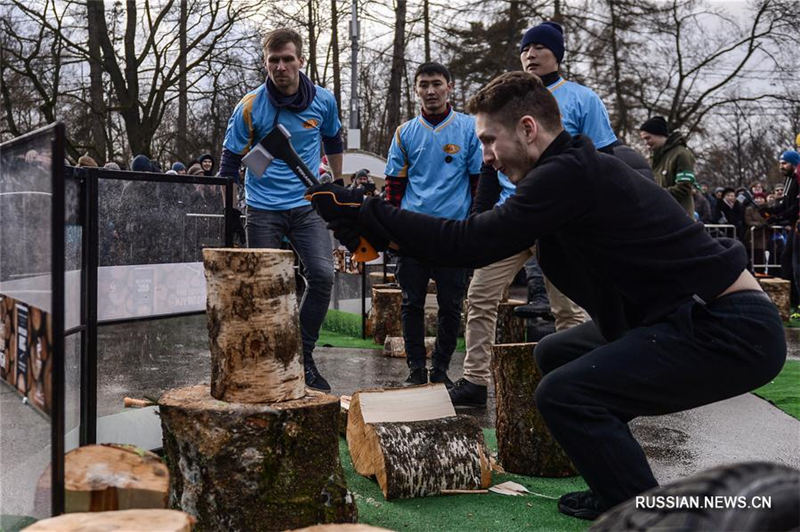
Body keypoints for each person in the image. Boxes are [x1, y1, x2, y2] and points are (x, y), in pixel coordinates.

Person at [306, 71, 785, 521]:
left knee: (565, 394)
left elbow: (471, 241)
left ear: (529, 128)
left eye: (490, 141)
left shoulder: (569, 175)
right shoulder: (563, 176)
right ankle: (609, 478)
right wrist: (374, 229)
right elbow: (464, 245)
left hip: (729, 329)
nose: (487, 156)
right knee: (557, 352)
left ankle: (643, 514)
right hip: (679, 318)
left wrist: (370, 212)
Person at [450, 20, 621, 406]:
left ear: (557, 53)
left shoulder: (582, 99)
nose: (531, 54)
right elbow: (488, 166)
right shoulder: (505, 102)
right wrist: (479, 217)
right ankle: (475, 381)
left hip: (562, 222)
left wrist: (596, 220)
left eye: (540, 47)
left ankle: (577, 382)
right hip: (512, 217)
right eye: (525, 48)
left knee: (568, 307)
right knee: (480, 295)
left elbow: (603, 160)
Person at [218, 27, 343, 391]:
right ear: (265, 63)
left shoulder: (323, 100)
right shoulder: (251, 105)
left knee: (322, 276)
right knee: (263, 288)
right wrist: (228, 209)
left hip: (307, 205)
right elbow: (229, 161)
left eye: (288, 59)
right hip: (262, 208)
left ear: (300, 61)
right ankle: (264, 364)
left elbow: (333, 137)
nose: (281, 66)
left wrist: (335, 183)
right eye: (274, 60)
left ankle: (302, 355)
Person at [383, 62, 482, 386]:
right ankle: (415, 370)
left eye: (436, 83)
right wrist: (393, 231)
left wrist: (474, 225)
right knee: (411, 303)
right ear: (416, 90)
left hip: (453, 232)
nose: (430, 91)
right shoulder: (405, 132)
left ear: (449, 87)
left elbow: (478, 181)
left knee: (451, 305)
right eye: (423, 84)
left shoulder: (469, 128)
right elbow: (394, 187)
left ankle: (441, 370)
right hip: (413, 231)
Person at [761, 150, 800, 304]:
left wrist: (778, 217)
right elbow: (786, 204)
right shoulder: (789, 180)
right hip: (793, 224)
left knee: (796, 264)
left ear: (794, 163)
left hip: (796, 225)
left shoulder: (797, 178)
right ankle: (793, 302)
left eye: (785, 163)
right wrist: (769, 210)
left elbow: (795, 206)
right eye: (780, 163)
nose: (781, 166)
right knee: (786, 260)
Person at [639, 116, 696, 216]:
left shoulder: (682, 154)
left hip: (679, 217)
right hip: (662, 215)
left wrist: (655, 194)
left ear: (659, 134)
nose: (646, 143)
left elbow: (684, 188)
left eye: (648, 138)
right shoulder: (654, 158)